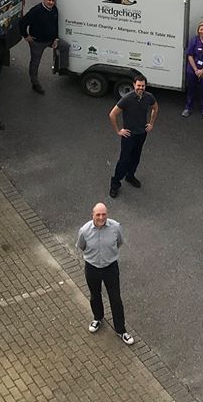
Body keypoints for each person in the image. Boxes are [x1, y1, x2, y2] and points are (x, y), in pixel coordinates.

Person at [76, 202, 134, 345]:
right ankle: (98, 318)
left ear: (107, 214)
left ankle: (121, 330)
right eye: (98, 214)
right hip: (92, 267)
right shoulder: (84, 231)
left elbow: (119, 243)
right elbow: (81, 246)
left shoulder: (115, 227)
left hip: (110, 268)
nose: (101, 217)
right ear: (93, 215)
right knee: (95, 295)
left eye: (104, 214)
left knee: (115, 299)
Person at [108, 73, 158, 199]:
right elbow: (112, 114)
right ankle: (115, 184)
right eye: (138, 85)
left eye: (143, 86)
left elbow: (155, 108)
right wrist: (118, 130)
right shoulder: (127, 99)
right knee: (124, 160)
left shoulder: (149, 97)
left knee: (136, 157)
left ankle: (130, 176)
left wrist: (151, 123)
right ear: (134, 85)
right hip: (128, 135)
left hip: (142, 133)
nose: (140, 88)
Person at [20, 0, 59, 95]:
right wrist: (26, 35)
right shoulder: (36, 11)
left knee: (65, 46)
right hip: (37, 42)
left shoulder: (54, 10)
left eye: (53, 1)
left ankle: (63, 69)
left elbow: (55, 25)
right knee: (35, 63)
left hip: (50, 40)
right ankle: (35, 83)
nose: (51, 2)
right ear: (44, 0)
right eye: (49, 0)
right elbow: (22, 22)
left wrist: (55, 38)